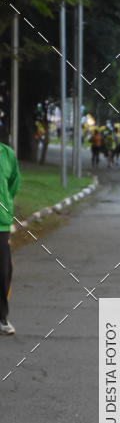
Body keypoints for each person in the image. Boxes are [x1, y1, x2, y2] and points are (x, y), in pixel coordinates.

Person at [0, 141, 20, 335]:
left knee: (4, 271)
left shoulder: (6, 153)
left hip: (1, 223)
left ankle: (1, 318)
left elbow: (14, 183)